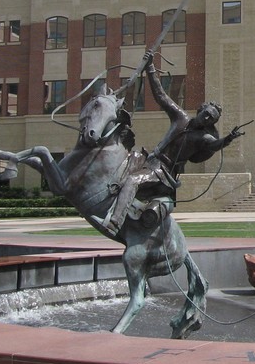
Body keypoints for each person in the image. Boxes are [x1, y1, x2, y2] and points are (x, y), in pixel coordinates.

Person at [93, 51, 245, 236]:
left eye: (211, 118)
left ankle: (114, 224)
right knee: (117, 167)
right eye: (206, 113)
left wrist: (227, 139)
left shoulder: (203, 137)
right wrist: (150, 68)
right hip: (149, 160)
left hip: (163, 172)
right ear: (201, 109)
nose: (206, 118)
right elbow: (161, 95)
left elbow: (214, 145)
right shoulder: (181, 118)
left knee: (133, 181)